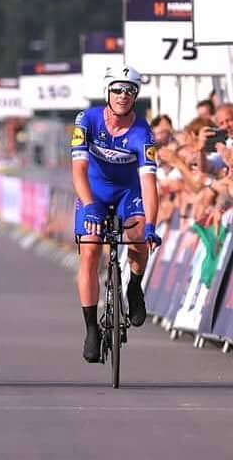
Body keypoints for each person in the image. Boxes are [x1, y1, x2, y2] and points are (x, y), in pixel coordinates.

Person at [70, 65, 161, 363]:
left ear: (136, 96)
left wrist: (151, 225)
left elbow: (149, 184)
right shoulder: (87, 120)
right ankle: (91, 329)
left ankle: (134, 286)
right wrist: (89, 205)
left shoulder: (142, 133)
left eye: (130, 90)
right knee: (90, 250)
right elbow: (78, 170)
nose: (123, 95)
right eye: (118, 89)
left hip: (127, 192)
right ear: (108, 92)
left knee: (138, 235)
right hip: (93, 192)